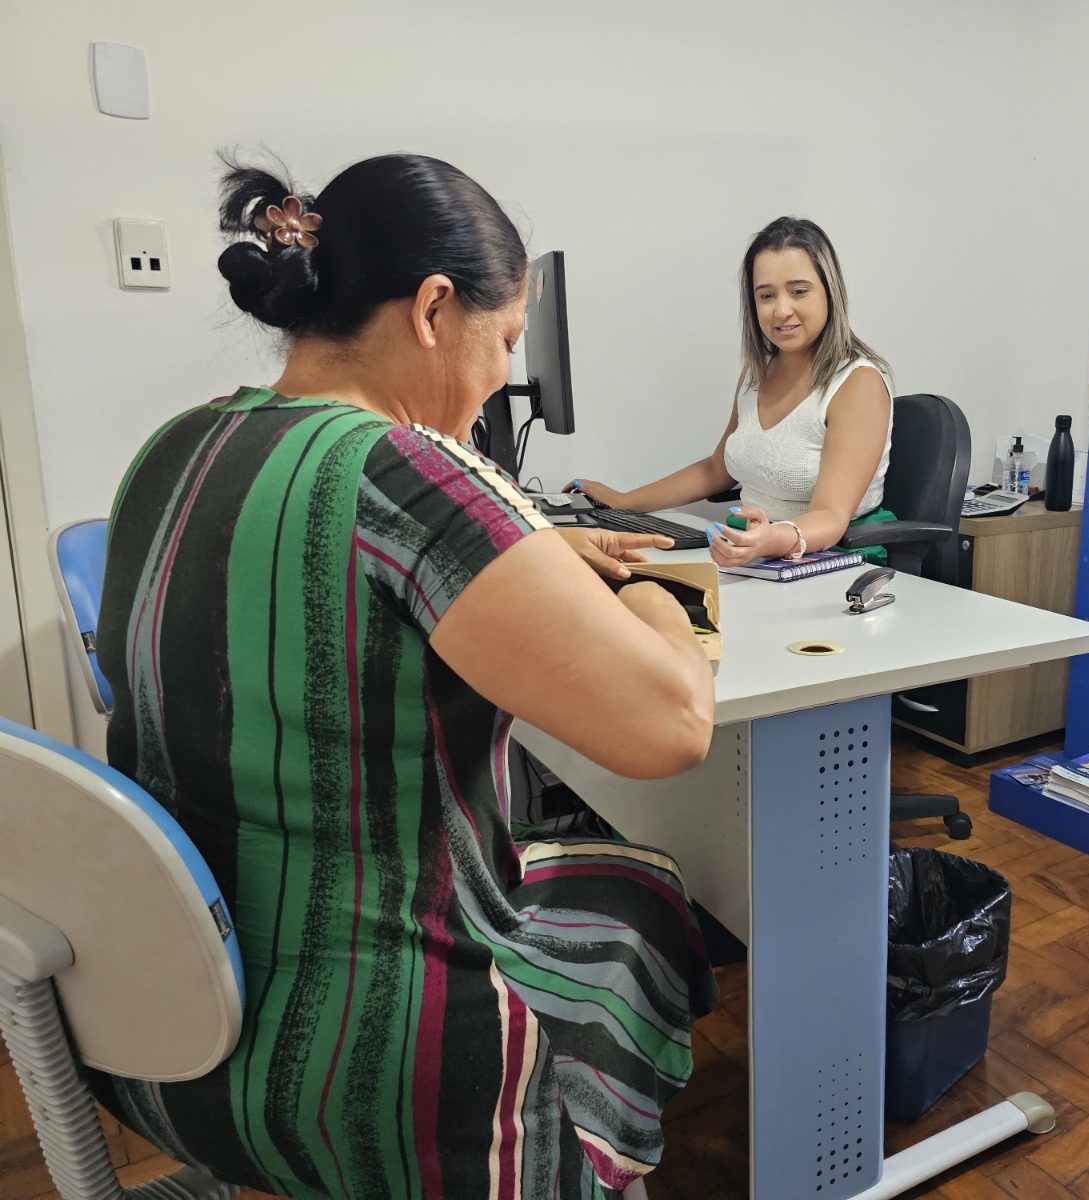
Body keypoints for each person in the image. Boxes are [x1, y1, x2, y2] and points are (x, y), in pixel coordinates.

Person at [90, 153, 718, 1200]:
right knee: (637, 885)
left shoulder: (177, 444)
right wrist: (656, 597)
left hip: (160, 1032)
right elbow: (671, 729)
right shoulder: (400, 471)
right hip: (363, 1077)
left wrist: (528, 551)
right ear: (434, 308)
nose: (495, 385)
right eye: (504, 343)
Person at [569, 216, 894, 568]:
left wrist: (771, 539)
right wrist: (623, 501)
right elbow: (716, 470)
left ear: (830, 292)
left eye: (799, 291)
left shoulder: (858, 383)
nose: (781, 310)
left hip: (834, 558)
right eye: (766, 295)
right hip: (761, 555)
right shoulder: (756, 375)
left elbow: (830, 516)